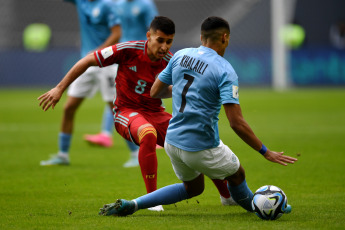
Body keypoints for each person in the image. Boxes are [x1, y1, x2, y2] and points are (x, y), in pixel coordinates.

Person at [98, 16, 298, 217]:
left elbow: (154, 91)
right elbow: (236, 123)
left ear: (201, 37)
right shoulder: (225, 70)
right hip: (201, 146)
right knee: (237, 175)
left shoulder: (181, 55)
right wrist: (265, 151)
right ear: (225, 37)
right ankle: (265, 207)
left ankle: (133, 204)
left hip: (172, 142)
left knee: (193, 189)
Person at [38, 16, 237, 212]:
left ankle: (226, 195)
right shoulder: (128, 50)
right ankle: (152, 200)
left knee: (196, 139)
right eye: (160, 40)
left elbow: (169, 89)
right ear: (148, 36)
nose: (164, 47)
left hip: (155, 112)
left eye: (169, 42)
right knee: (148, 133)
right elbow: (89, 60)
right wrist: (59, 88)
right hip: (126, 112)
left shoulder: (171, 60)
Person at [39, 0, 139, 166]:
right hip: (86, 64)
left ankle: (135, 154)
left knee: (116, 111)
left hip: (106, 63)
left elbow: (117, 34)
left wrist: (99, 52)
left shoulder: (107, 6)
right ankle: (62, 155)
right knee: (69, 107)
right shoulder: (81, 2)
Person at [84, 0, 159, 168]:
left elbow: (155, 31)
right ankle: (106, 133)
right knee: (119, 95)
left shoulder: (145, 5)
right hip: (124, 53)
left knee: (146, 93)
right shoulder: (117, 4)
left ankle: (153, 133)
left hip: (143, 54)